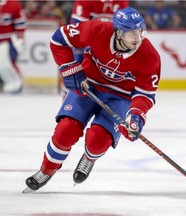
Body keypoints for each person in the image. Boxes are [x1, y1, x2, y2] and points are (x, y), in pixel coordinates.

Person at [24, 7, 161, 192]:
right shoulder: (97, 30)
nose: (137, 38)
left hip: (120, 97)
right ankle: (46, 171)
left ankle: (89, 158)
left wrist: (136, 116)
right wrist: (69, 68)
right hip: (88, 85)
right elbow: (59, 39)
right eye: (131, 33)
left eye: (140, 31)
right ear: (119, 32)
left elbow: (145, 94)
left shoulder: (149, 55)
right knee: (66, 130)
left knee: (98, 140)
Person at [59, 0, 129, 96]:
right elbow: (77, 29)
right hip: (86, 40)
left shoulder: (121, 1)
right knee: (74, 64)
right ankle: (68, 96)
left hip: (109, 41)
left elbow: (124, 27)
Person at [0, 0, 26, 93]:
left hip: (6, 40)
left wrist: (20, 39)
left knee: (9, 63)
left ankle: (17, 84)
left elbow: (20, 23)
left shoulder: (13, 3)